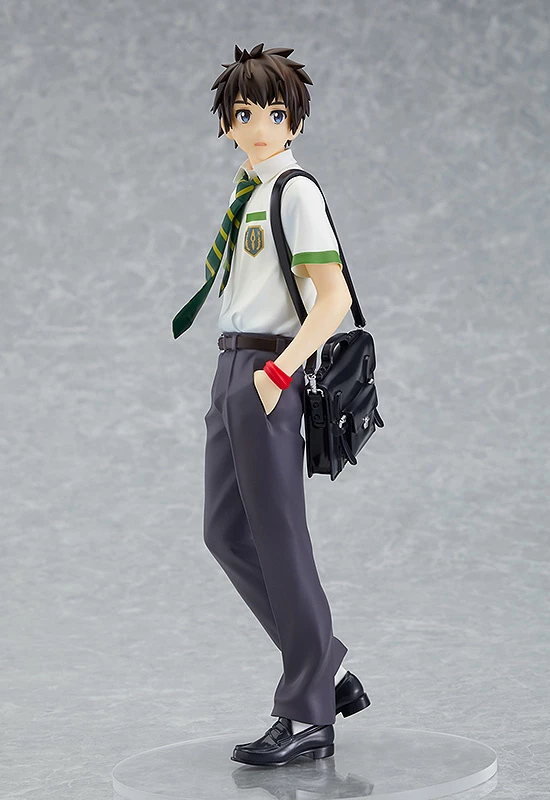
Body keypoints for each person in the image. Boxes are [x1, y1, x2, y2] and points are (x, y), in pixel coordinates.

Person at [171, 42, 370, 767]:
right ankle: (328, 666)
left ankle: (308, 713)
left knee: (281, 540)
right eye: (245, 113)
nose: (260, 127)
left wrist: (280, 372)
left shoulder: (295, 192)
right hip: (231, 367)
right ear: (228, 122)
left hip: (267, 370)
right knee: (225, 532)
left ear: (296, 123)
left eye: (275, 113)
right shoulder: (248, 194)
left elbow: (333, 299)